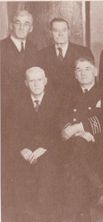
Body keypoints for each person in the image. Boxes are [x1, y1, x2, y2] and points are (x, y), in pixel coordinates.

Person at [59, 57, 103, 221]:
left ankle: (80, 212)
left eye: (87, 69)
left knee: (74, 159)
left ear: (95, 71)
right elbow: (61, 115)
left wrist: (80, 128)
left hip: (99, 142)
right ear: (74, 74)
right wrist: (75, 132)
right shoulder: (68, 94)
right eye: (79, 70)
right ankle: (99, 190)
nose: (83, 73)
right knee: (78, 147)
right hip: (76, 141)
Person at [0, 10, 38, 215]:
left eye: (26, 24)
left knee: (28, 160)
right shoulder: (1, 48)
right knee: (9, 161)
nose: (22, 27)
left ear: (31, 28)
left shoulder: (33, 49)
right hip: (4, 113)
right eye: (18, 23)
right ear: (11, 26)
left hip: (28, 112)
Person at [11, 67, 60, 222]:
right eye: (32, 81)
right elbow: (12, 131)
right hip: (25, 151)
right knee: (17, 172)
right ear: (26, 83)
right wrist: (22, 149)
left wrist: (43, 148)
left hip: (50, 150)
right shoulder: (17, 103)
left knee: (47, 171)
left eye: (39, 80)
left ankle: (44, 217)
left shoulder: (57, 101)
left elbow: (59, 132)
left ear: (45, 81)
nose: (36, 84)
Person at [39, 17, 94, 93]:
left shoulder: (83, 51)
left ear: (69, 32)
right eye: (56, 30)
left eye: (64, 30)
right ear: (51, 33)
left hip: (77, 98)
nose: (60, 34)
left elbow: (91, 80)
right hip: (52, 99)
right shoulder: (42, 54)